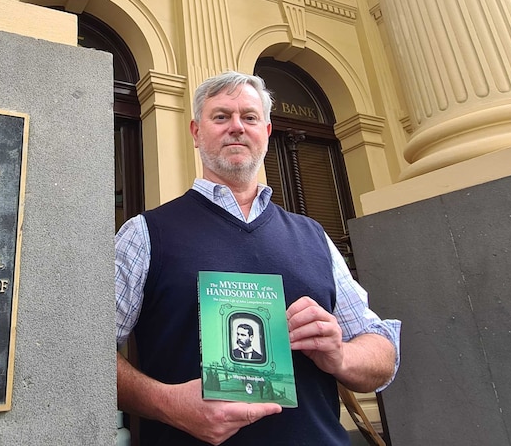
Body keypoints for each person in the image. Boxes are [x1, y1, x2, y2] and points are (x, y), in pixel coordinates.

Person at [115, 71, 401, 445]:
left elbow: (380, 349)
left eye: (249, 117)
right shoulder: (145, 233)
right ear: (196, 132)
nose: (236, 127)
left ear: (266, 131)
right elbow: (83, 349)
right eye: (221, 117)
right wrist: (166, 403)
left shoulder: (313, 235)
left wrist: (341, 356)